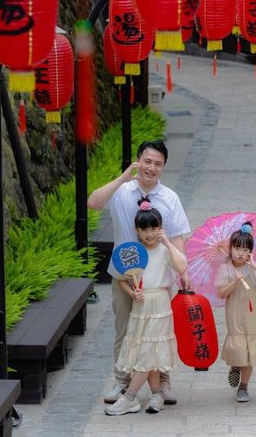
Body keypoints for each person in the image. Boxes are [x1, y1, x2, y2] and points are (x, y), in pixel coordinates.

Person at [87, 141, 191, 405]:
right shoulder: (122, 191)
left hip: (158, 278)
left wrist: (183, 272)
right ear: (138, 161)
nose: (151, 168)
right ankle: (121, 380)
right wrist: (123, 178)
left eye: (158, 163)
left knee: (160, 330)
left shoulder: (169, 198)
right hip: (124, 274)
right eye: (147, 161)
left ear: (163, 167)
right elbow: (93, 203)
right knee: (125, 329)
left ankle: (163, 381)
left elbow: (177, 236)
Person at [104, 199, 187, 415]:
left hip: (159, 303)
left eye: (153, 228)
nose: (149, 233)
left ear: (160, 228)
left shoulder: (163, 250)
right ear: (136, 229)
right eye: (144, 229)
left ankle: (130, 397)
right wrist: (133, 292)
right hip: (141, 306)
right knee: (146, 349)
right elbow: (121, 277)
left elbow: (181, 267)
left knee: (148, 351)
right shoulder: (134, 252)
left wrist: (168, 243)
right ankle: (157, 393)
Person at [216, 222, 256, 403]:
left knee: (250, 352)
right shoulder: (225, 269)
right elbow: (221, 293)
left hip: (253, 316)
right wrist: (234, 282)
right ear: (231, 249)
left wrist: (254, 266)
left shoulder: (255, 266)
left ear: (250, 251)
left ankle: (243, 387)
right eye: (237, 248)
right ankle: (235, 365)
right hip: (235, 315)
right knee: (238, 348)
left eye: (245, 249)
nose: (240, 253)